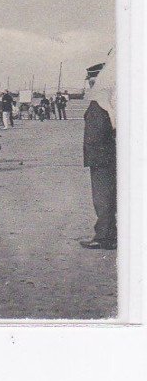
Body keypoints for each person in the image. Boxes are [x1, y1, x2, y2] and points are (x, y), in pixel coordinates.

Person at [81, 55, 117, 250]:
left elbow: (99, 134)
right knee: (110, 197)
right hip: (105, 157)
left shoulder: (99, 105)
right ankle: (110, 233)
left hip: (101, 158)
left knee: (102, 198)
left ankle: (104, 237)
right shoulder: (108, 103)